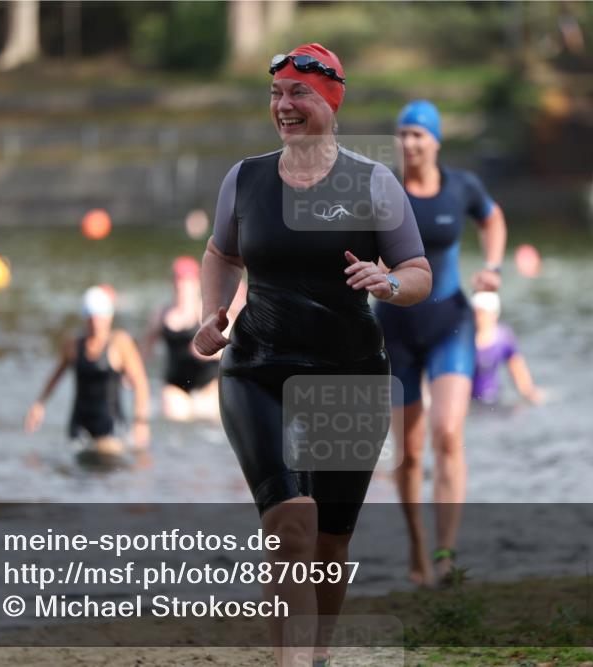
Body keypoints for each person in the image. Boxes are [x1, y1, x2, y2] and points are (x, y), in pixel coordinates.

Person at [193, 44, 432, 667]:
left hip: (349, 375)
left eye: (297, 93)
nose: (284, 106)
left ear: (330, 100)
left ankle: (315, 656)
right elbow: (221, 253)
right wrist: (210, 315)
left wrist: (389, 284)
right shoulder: (245, 178)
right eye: (276, 95)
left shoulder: (373, 182)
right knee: (290, 524)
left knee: (328, 543)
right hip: (257, 369)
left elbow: (417, 271)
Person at [376, 100, 507, 586]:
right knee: (408, 452)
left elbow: (492, 220)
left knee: (448, 434)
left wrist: (492, 267)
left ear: (436, 141)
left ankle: (447, 551)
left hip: (450, 321)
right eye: (403, 134)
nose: (409, 144)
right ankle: (416, 545)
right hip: (394, 328)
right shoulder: (382, 190)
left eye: (418, 135)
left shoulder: (461, 187)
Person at [25, 286, 151, 459]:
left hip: (110, 427)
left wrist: (140, 421)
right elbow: (55, 376)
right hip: (79, 425)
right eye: (91, 317)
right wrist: (39, 404)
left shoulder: (120, 343)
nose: (95, 323)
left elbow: (140, 383)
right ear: (85, 318)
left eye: (100, 317)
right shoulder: (74, 345)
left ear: (109, 317)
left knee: (108, 462)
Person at [141, 256, 230, 422]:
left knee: (208, 413)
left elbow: (234, 350)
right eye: (179, 282)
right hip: (175, 386)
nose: (182, 287)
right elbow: (146, 348)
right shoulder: (162, 315)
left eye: (186, 282)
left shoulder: (210, 314)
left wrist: (207, 352)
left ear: (196, 283)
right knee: (174, 414)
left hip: (207, 385)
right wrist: (133, 375)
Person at [472, 291, 541, 405]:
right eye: (475, 313)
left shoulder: (503, 338)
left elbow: (518, 373)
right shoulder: (464, 340)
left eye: (482, 313)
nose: (479, 318)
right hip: (470, 404)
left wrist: (530, 394)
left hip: (495, 400)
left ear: (494, 314)